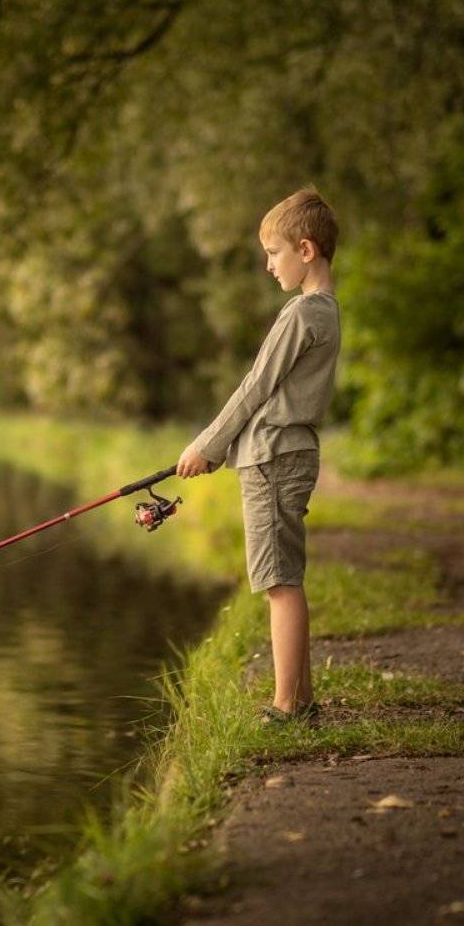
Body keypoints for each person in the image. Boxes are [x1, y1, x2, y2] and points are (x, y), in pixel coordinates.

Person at [175, 186, 341, 725]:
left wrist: (207, 444)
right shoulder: (326, 313)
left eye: (274, 253)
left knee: (279, 584)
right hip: (283, 455)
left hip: (274, 460)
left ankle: (287, 706)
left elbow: (255, 389)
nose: (269, 265)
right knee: (284, 578)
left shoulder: (300, 315)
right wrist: (223, 451)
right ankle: (303, 700)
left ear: (306, 250)